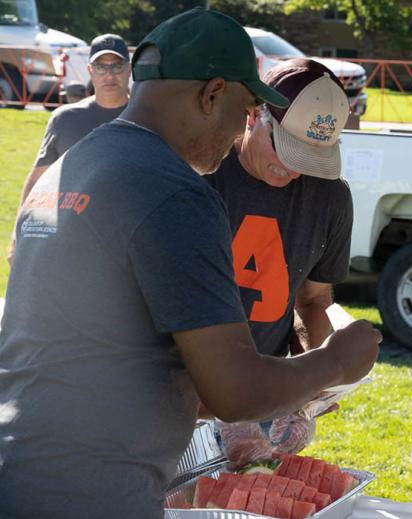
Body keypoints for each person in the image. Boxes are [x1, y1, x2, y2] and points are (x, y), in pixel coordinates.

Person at [0, 8, 380, 519]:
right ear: (212, 94)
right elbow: (235, 391)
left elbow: (109, 351)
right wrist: (337, 361)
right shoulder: (176, 192)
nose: (238, 129)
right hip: (91, 485)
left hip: (23, 460)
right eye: (245, 107)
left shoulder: (75, 164)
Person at [205, 58, 356, 463]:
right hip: (180, 399)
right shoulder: (202, 175)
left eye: (310, 157)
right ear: (255, 114)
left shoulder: (330, 198)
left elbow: (312, 300)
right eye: (286, 148)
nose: (292, 168)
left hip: (267, 391)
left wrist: (317, 375)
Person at [7, 33, 131, 265]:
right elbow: (36, 182)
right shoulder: (65, 119)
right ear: (89, 70)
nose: (109, 74)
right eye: (100, 66)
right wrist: (17, 236)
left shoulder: (148, 117)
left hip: (129, 242)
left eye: (117, 66)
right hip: (72, 243)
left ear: (129, 69)